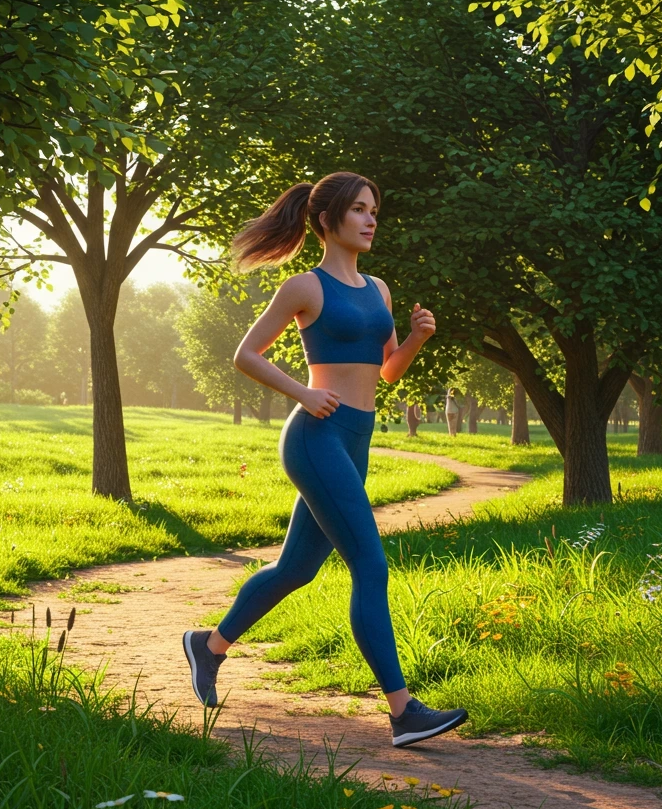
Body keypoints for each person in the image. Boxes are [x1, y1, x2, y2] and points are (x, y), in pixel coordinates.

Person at [181, 171, 467, 747]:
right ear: (327, 220)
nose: (370, 220)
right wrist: (303, 393)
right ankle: (403, 710)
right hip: (316, 436)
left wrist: (415, 339)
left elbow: (385, 370)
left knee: (297, 569)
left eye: (374, 210)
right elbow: (246, 354)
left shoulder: (379, 289)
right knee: (371, 564)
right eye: (359, 209)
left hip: (355, 438)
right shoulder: (304, 287)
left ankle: (208, 645)